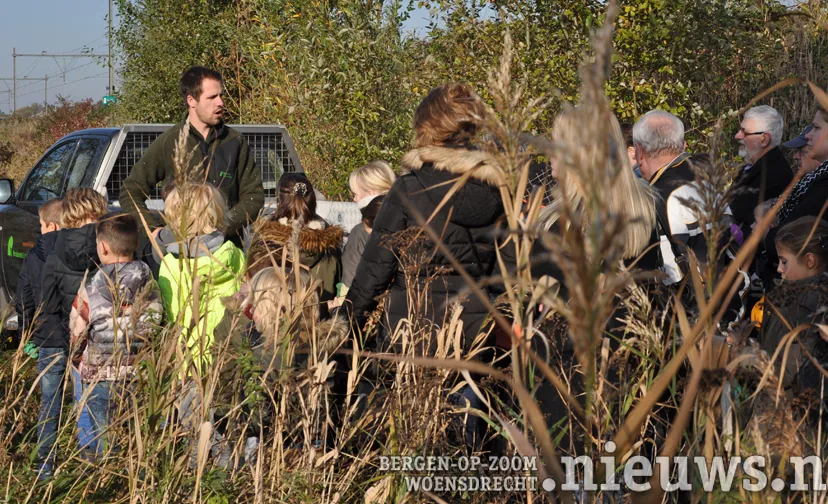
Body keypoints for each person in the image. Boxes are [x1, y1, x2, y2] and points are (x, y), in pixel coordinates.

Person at [346, 82, 503, 353]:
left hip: (410, 328)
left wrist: (345, 325)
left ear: (427, 128)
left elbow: (375, 270)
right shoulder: (497, 190)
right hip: (475, 334)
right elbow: (507, 271)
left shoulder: (410, 188)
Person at [119, 66, 264, 244]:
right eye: (212, 97)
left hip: (227, 254)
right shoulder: (171, 141)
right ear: (191, 100)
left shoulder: (235, 142)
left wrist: (222, 228)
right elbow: (130, 190)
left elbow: (254, 197)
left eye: (221, 96)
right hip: (179, 255)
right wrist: (152, 231)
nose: (221, 103)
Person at [157, 181, 245, 467]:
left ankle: (203, 484)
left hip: (186, 360)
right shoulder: (234, 256)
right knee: (221, 425)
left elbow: (170, 317)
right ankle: (229, 479)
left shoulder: (171, 263)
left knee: (195, 429)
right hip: (224, 355)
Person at [633, 110, 747, 319]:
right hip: (731, 306)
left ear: (639, 151)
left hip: (687, 323)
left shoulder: (652, 198)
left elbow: (652, 274)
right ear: (681, 144)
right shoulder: (707, 185)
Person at [69, 213, 163, 456]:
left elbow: (77, 332)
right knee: (137, 435)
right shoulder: (151, 284)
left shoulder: (90, 288)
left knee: (105, 436)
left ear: (102, 247)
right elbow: (156, 324)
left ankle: (109, 480)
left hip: (100, 376)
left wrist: (77, 361)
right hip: (139, 373)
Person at [36, 188, 109, 479]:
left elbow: (47, 301)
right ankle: (98, 467)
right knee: (94, 403)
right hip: (97, 339)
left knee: (50, 402)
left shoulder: (52, 249)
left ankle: (44, 466)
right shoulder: (107, 246)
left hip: (55, 335)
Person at [253, 173, 343, 316]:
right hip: (318, 329)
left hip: (273, 328)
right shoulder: (332, 245)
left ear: (279, 202)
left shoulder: (266, 242)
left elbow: (253, 290)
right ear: (313, 203)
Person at [762, 105, 828, 290]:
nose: (808, 135)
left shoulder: (823, 184)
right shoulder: (815, 180)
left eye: (816, 128)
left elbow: (785, 238)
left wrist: (769, 232)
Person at [759, 216, 828, 395]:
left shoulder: (807, 306)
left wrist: (739, 353)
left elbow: (784, 372)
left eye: (784, 261)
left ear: (809, 261)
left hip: (787, 407)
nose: (779, 269)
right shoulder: (795, 296)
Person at [731, 106, 793, 238]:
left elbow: (749, 229)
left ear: (764, 139)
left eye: (744, 132)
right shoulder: (755, 166)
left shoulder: (773, 176)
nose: (737, 136)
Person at [340, 161, 397, 295]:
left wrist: (339, 308)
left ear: (370, 193)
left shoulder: (361, 232)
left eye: (356, 193)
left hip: (366, 306)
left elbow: (349, 280)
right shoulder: (409, 222)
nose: (354, 199)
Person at [18, 198, 62, 354]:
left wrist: (25, 336)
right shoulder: (79, 253)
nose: (40, 229)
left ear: (52, 226)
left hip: (46, 336)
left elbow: (25, 299)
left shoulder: (33, 256)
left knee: (50, 375)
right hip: (77, 335)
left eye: (42, 225)